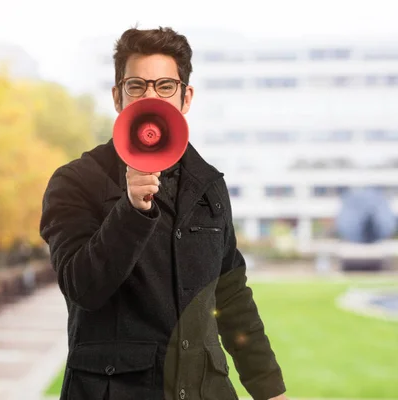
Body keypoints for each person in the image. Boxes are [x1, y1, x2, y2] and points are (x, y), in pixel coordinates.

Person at [40, 26, 288, 400]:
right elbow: (82, 288)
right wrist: (131, 210)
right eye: (136, 86)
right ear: (117, 97)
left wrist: (270, 391)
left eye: (165, 86)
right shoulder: (76, 182)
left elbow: (232, 298)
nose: (150, 96)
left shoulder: (209, 187)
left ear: (186, 98)